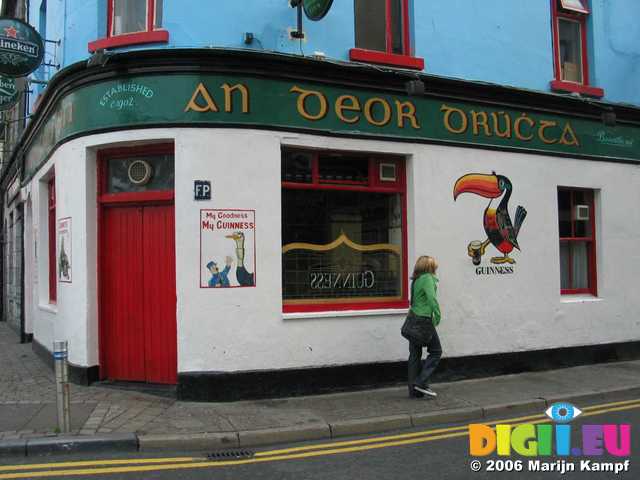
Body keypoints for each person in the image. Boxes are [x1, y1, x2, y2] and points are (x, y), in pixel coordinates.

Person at [407, 255, 443, 398]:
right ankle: (421, 382)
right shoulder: (427, 278)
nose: (435, 268)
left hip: (413, 319)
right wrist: (438, 314)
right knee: (436, 351)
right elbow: (432, 298)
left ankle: (414, 391)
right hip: (424, 320)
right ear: (429, 267)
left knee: (414, 355)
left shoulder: (415, 280)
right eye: (434, 266)